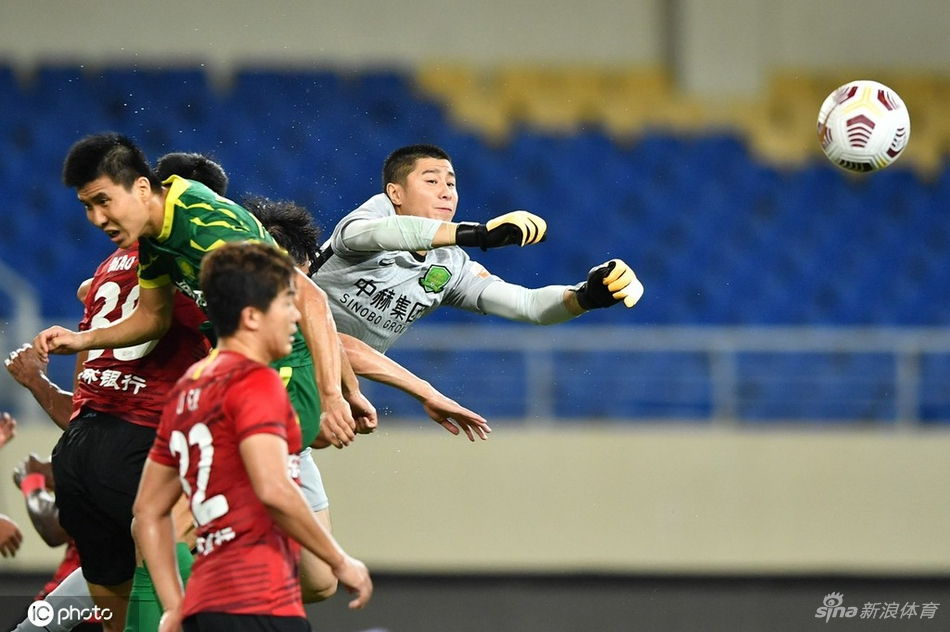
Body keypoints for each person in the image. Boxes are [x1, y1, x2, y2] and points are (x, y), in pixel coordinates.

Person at [133, 241, 372, 632]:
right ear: (251, 317)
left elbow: (146, 513)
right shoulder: (257, 383)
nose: (296, 316)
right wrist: (339, 559)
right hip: (261, 606)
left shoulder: (186, 391)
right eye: (285, 304)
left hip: (204, 607)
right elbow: (274, 488)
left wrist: (174, 606)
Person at [312, 143, 643, 361]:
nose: (446, 192)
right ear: (394, 193)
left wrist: (584, 297)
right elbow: (386, 234)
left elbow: (528, 305)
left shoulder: (450, 265)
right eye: (431, 181)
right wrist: (479, 234)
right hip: (274, 364)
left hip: (320, 394)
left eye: (452, 184)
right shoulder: (366, 222)